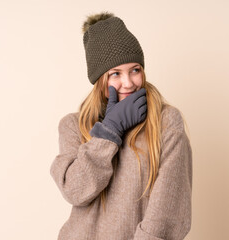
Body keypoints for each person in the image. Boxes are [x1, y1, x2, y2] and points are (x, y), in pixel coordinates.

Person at [50, 11, 193, 240]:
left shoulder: (166, 121)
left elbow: (169, 211)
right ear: (99, 80)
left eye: (135, 70)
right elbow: (75, 191)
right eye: (115, 73)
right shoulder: (72, 126)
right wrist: (108, 132)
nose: (128, 83)